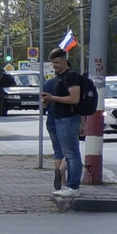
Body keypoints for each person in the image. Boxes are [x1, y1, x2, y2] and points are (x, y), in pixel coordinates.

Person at [39, 49, 94, 194]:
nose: (55, 66)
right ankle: (67, 184)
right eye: (53, 63)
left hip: (69, 119)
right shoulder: (59, 78)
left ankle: (73, 186)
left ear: (65, 61)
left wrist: (52, 98)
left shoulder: (71, 77)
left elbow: (74, 99)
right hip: (59, 118)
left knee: (72, 154)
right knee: (66, 153)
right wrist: (47, 100)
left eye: (57, 63)